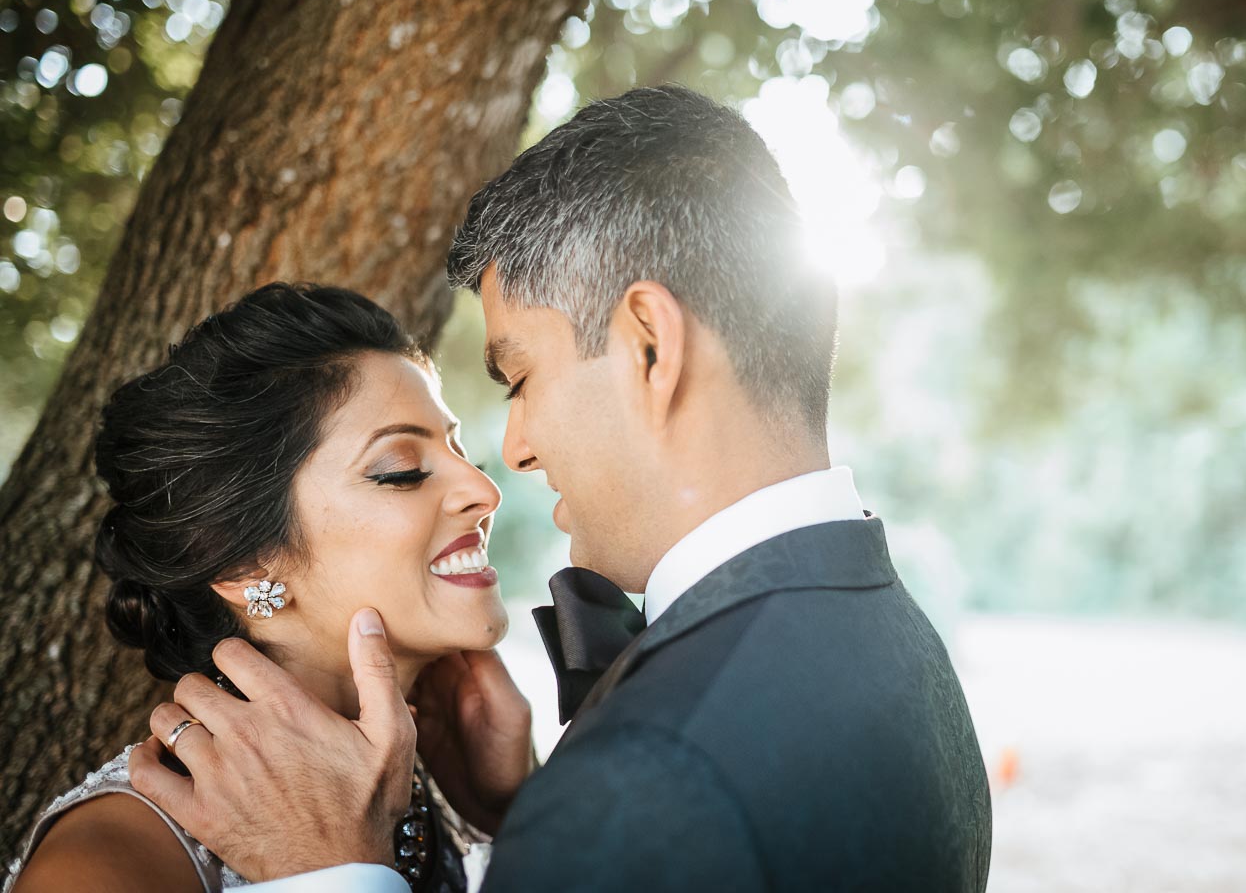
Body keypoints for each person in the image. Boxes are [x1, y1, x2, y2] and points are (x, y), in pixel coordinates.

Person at [129, 86, 994, 891]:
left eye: (519, 379)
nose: (507, 458)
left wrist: (333, 876)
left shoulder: (648, 778)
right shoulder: (888, 634)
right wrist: (529, 814)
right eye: (400, 467)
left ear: (650, 346)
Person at [5, 282, 524, 893]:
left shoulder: (439, 791)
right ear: (249, 565)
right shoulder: (109, 860)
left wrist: (512, 817)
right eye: (400, 472)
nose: (484, 492)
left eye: (462, 451)